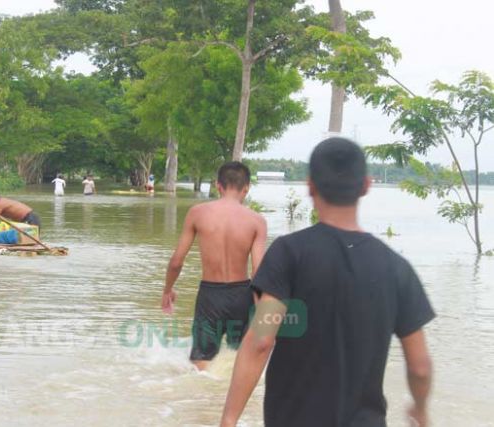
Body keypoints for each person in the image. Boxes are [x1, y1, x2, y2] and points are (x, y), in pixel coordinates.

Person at [220, 137, 435, 427]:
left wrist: (229, 419)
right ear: (366, 186)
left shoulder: (289, 253)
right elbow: (420, 367)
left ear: (310, 186)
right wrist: (420, 410)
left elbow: (261, 340)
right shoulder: (396, 268)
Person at [162, 162, 267, 371]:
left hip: (210, 296)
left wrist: (167, 290)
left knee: (201, 363)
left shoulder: (197, 213)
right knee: (242, 360)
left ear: (218, 186)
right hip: (242, 294)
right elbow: (258, 272)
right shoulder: (257, 221)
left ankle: (202, 401)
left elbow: (176, 261)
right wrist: (262, 309)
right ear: (246, 188)